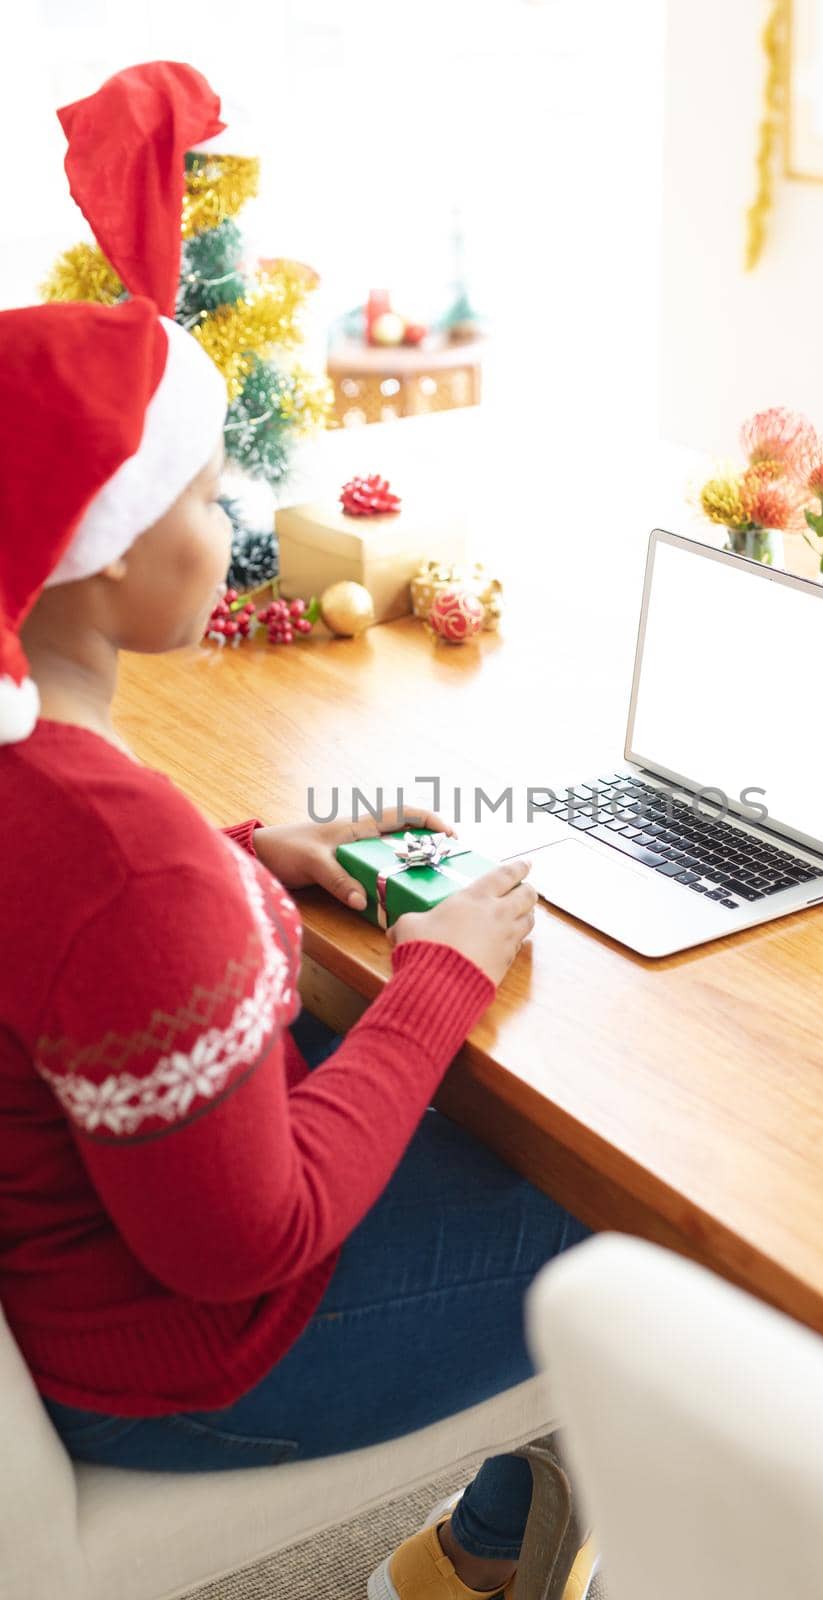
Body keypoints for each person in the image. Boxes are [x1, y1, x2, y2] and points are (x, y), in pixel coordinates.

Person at [0, 63, 595, 1600]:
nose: (234, 521)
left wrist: (252, 854)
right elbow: (254, 1242)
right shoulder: (114, 854)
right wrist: (438, 970)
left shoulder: (52, 782)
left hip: (92, 1284)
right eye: (201, 493)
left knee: (492, 1140)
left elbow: (77, 912)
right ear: (95, 559)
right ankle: (507, 1559)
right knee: (641, 1248)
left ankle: (483, 1547)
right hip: (194, 1361)